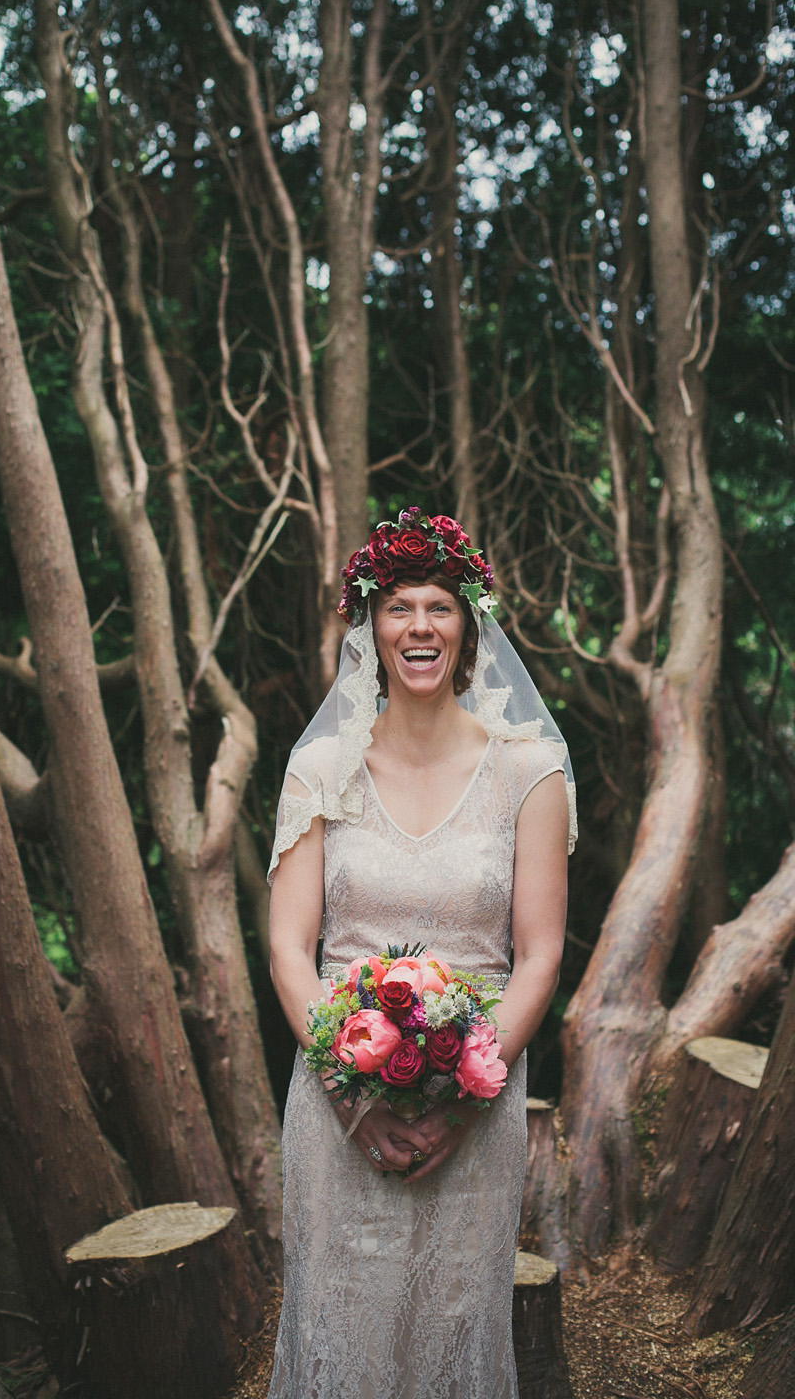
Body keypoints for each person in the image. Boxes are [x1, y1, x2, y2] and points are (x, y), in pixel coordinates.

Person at [266, 509, 575, 1399]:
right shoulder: (320, 767)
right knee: (340, 1323)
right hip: (335, 1104)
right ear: (371, 628)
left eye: (439, 606)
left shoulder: (531, 773)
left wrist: (469, 1093)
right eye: (399, 607)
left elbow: (540, 954)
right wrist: (346, 1089)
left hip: (477, 1103)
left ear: (469, 627)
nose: (420, 627)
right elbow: (291, 947)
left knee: (453, 1329)